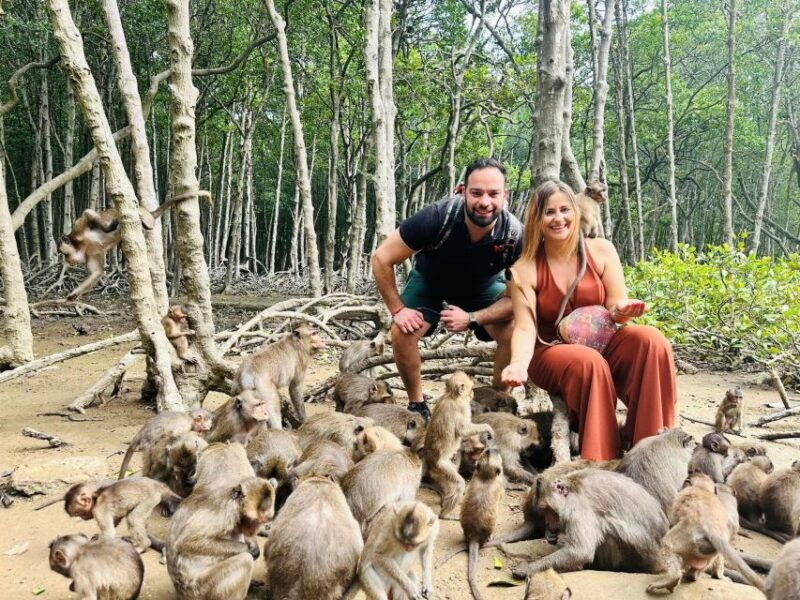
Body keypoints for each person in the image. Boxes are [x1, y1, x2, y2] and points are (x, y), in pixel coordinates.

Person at [501, 180, 676, 461]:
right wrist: (519, 364)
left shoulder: (603, 250)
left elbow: (615, 306)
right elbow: (524, 326)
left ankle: (652, 448)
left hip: (603, 342)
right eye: (549, 212)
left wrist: (623, 310)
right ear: (536, 219)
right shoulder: (524, 268)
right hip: (551, 352)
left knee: (651, 340)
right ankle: (602, 459)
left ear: (577, 211)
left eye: (564, 210)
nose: (558, 218)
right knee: (588, 361)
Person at [372, 158, 522, 422]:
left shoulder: (514, 236)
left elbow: (516, 300)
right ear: (462, 190)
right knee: (402, 332)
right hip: (430, 283)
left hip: (483, 289)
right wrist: (397, 309)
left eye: (493, 194)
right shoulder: (436, 218)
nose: (484, 202)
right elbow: (381, 258)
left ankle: (497, 402)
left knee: (512, 329)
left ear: (505, 196)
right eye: (476, 193)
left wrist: (473, 318)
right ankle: (417, 404)